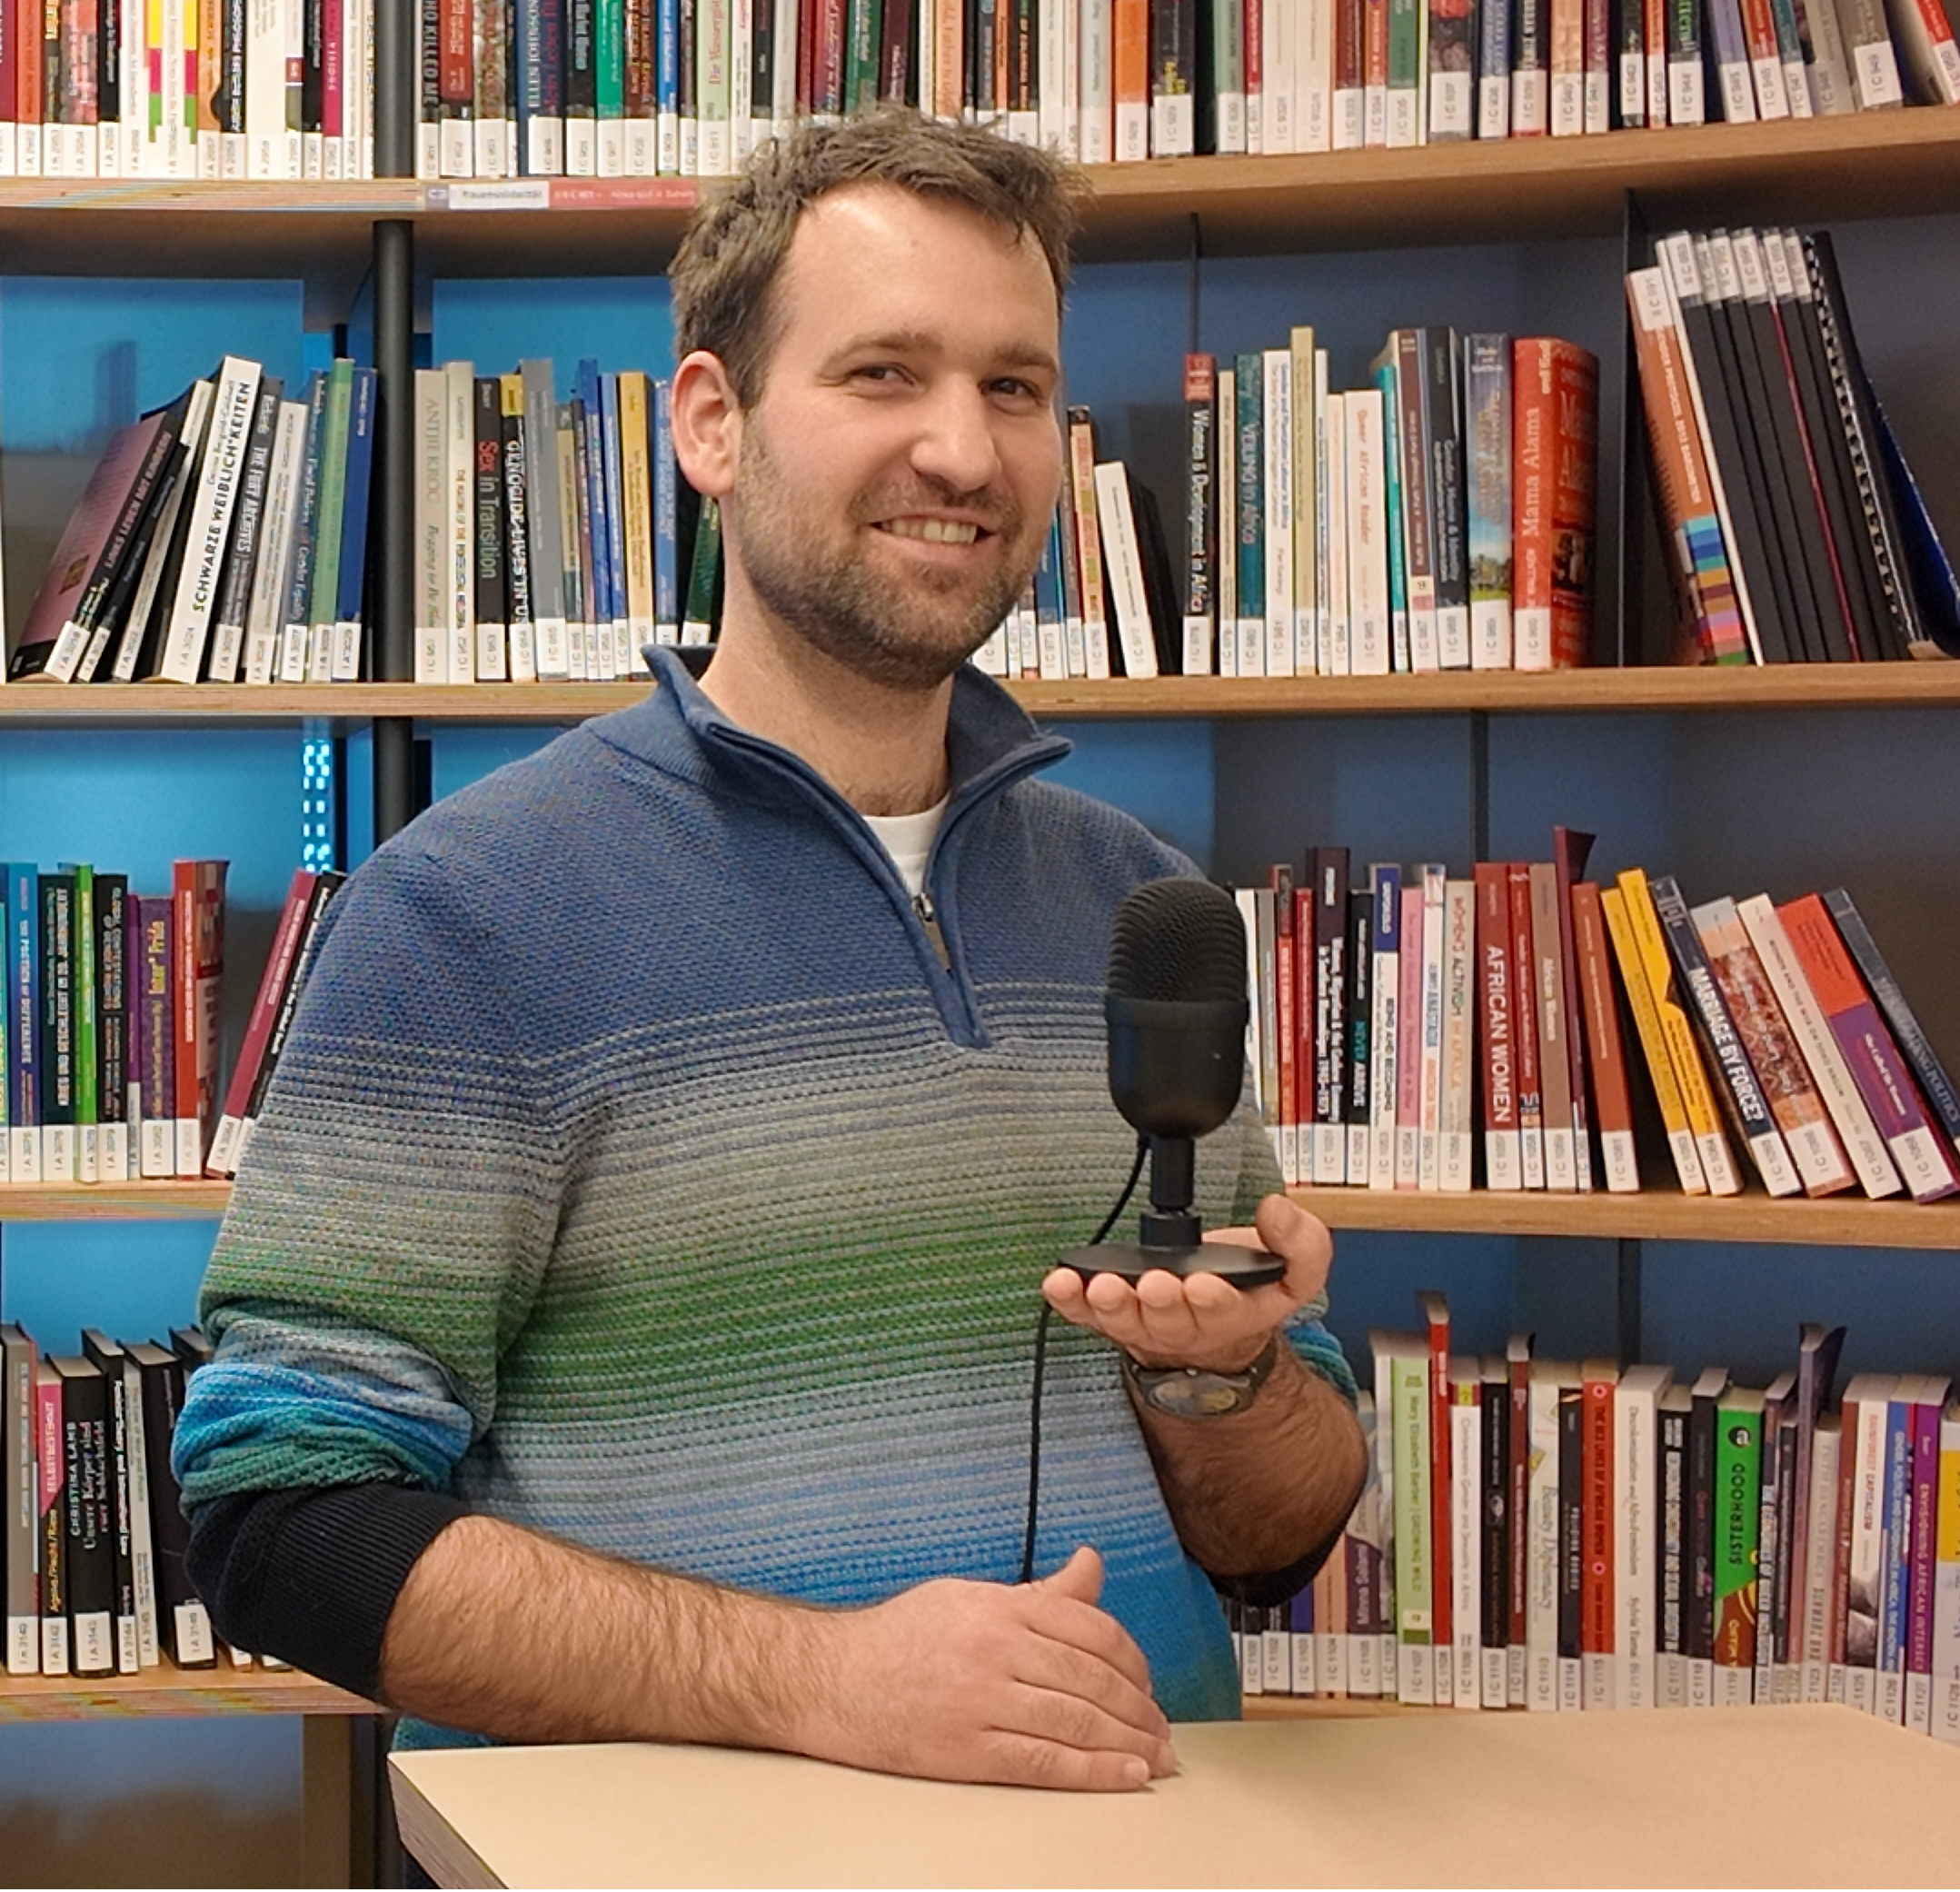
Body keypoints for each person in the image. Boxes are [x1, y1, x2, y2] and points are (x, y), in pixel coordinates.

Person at [174, 108, 1368, 1796]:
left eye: (1013, 386)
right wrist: (826, 1680)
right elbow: (283, 1514)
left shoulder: (1137, 904)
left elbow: (1275, 1539)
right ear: (712, 423)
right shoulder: (473, 909)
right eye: (884, 373)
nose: (964, 449)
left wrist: (1231, 1385)